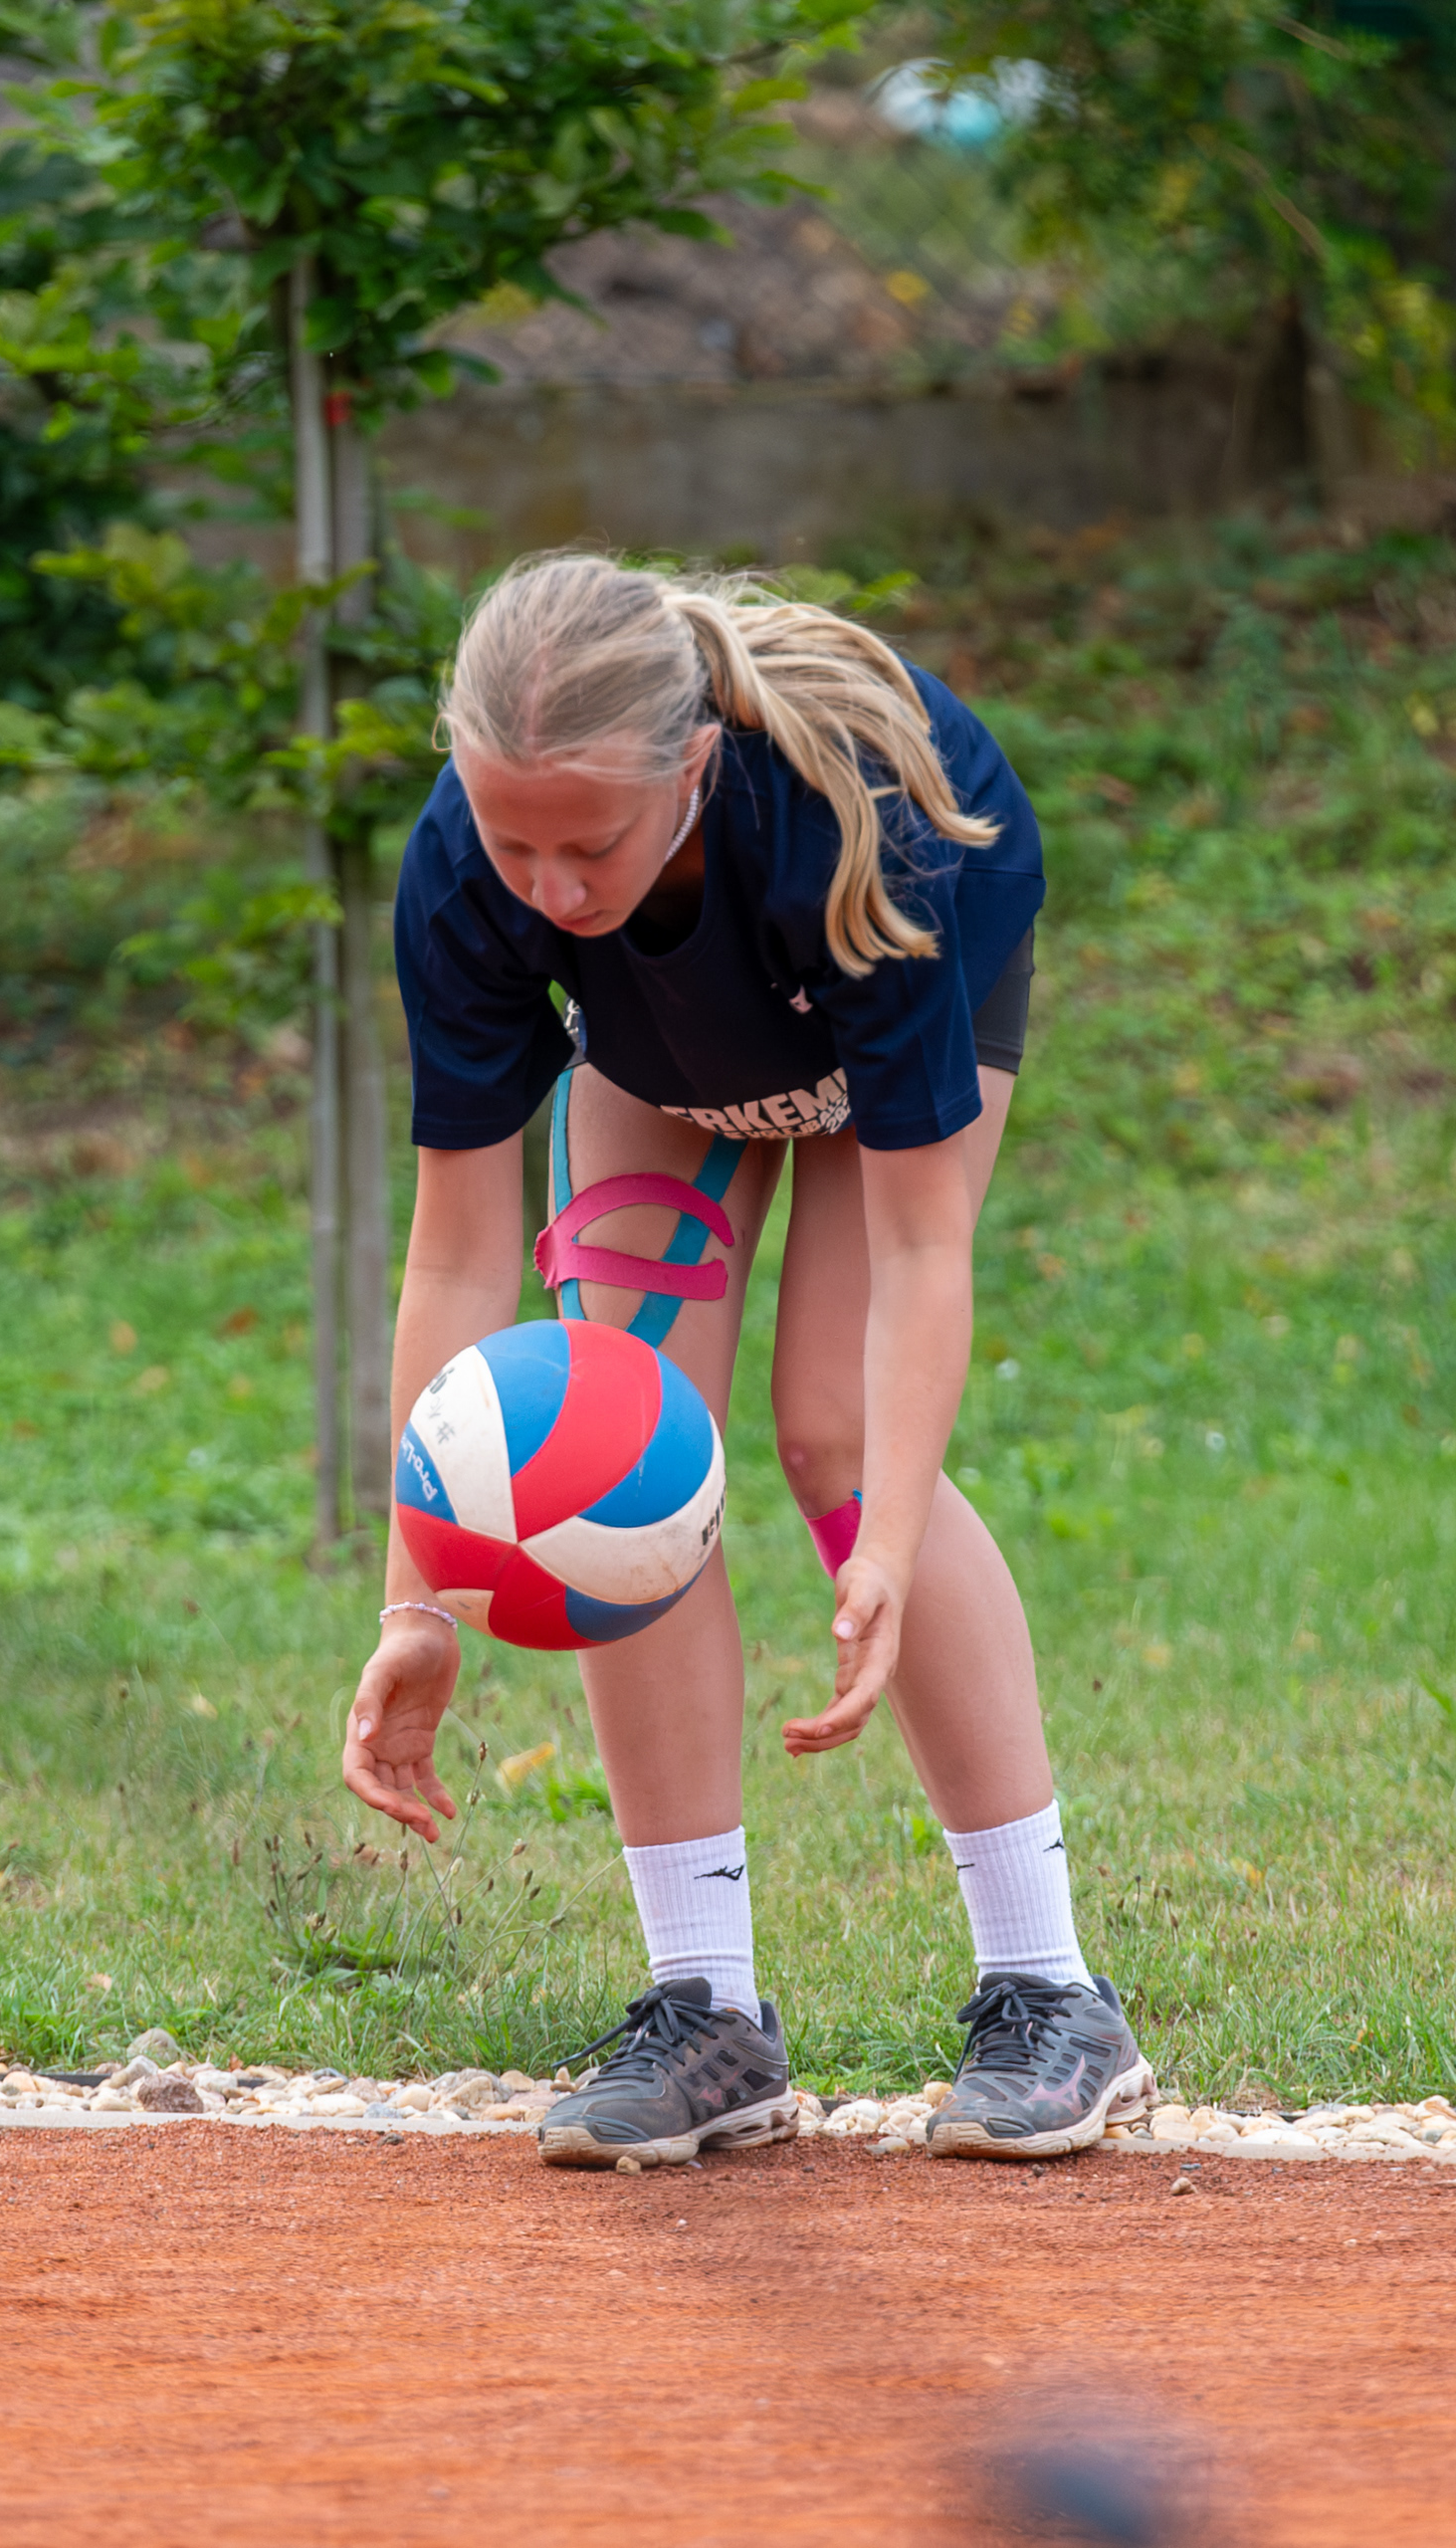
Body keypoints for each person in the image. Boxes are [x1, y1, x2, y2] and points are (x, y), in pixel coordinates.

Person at [339, 551, 1153, 2169]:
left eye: (591, 845)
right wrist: (415, 1600)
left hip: (872, 974)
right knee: (611, 1436)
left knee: (834, 1434)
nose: (550, 888)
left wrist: (886, 1544)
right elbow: (454, 1255)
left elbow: (919, 1252)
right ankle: (704, 2011)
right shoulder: (464, 871)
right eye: (514, 842)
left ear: (694, 766)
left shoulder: (861, 826)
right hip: (666, 1046)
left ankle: (1053, 1995)